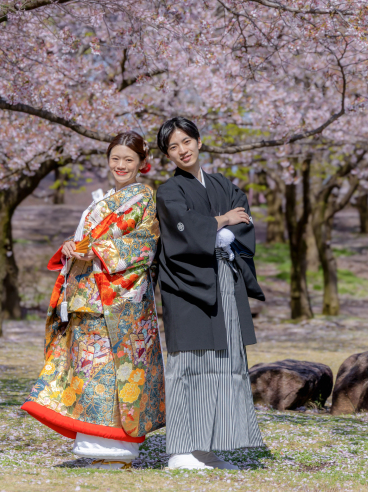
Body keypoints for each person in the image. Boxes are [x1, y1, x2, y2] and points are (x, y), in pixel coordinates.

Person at [21, 131, 165, 470]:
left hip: (116, 301)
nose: (120, 165)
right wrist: (71, 248)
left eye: (128, 159)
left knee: (113, 376)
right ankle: (95, 448)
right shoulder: (100, 202)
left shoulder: (143, 198)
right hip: (86, 297)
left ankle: (118, 453)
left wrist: (95, 250)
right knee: (87, 374)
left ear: (142, 164)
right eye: (115, 158)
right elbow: (83, 241)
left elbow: (145, 245)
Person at [154, 117, 266, 470]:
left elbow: (243, 219)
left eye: (186, 141)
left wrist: (229, 235)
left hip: (225, 279)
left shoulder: (223, 185)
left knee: (226, 363)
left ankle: (210, 448)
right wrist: (219, 223)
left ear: (199, 142)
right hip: (187, 287)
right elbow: (180, 229)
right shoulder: (168, 192)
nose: (182, 150)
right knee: (188, 363)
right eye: (173, 147)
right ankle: (182, 450)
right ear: (168, 156)